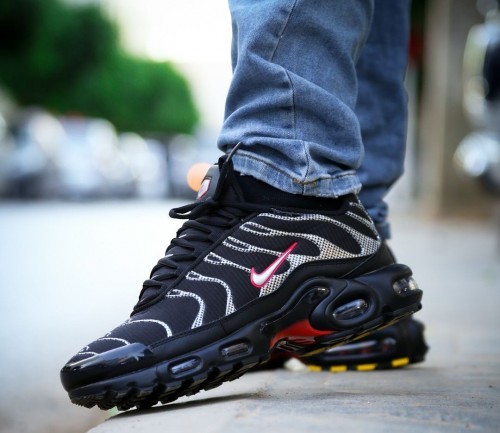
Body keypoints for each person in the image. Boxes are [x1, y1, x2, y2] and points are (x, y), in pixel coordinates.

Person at [60, 0, 425, 410]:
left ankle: (291, 189)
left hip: (296, 194)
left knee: (292, 173)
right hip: (347, 214)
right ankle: (347, 234)